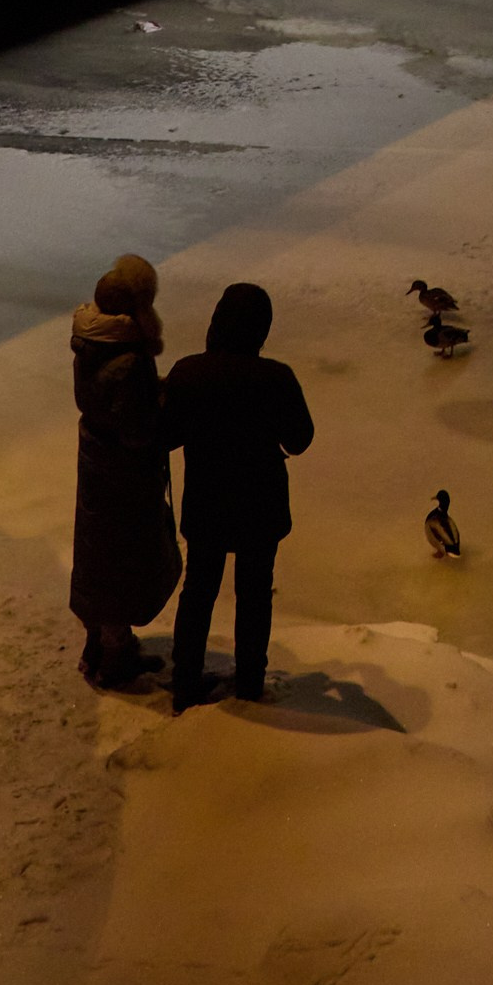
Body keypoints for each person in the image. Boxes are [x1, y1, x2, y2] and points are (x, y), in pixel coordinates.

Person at [163, 282, 314, 712]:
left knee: (198, 592)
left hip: (207, 501)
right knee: (254, 595)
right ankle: (249, 683)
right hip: (259, 506)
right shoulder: (276, 377)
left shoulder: (189, 371)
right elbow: (300, 438)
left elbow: (166, 434)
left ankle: (185, 682)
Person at [68, 253, 181, 688]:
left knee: (99, 555)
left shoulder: (92, 342)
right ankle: (115, 658)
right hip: (123, 472)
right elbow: (137, 432)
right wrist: (163, 404)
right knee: (122, 558)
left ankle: (99, 642)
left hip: (96, 461)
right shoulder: (130, 359)